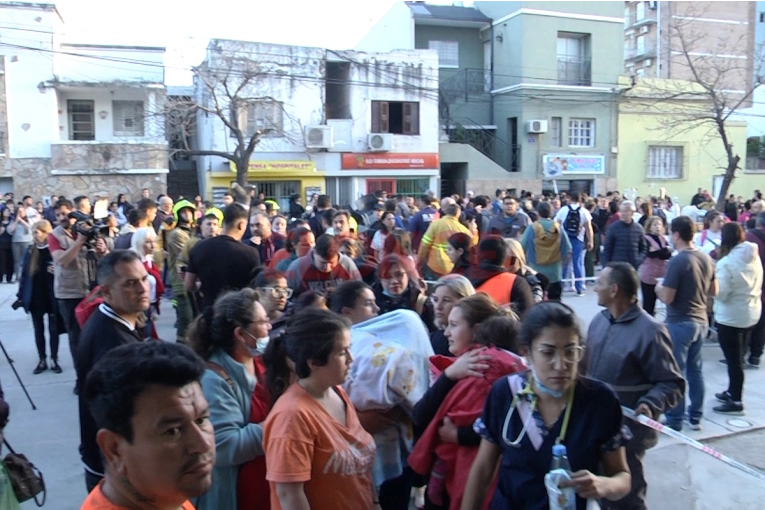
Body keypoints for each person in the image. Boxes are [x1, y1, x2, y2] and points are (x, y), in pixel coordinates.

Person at [462, 301, 632, 509]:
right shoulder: (505, 393)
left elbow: (622, 477)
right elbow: (483, 469)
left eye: (570, 352)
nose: (561, 365)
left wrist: (605, 485)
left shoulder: (599, 401)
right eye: (548, 353)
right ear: (526, 351)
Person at [410, 295, 526, 509]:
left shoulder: (483, 371)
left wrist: (459, 435)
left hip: (471, 480)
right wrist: (449, 374)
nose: (446, 332)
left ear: (477, 330)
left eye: (453, 325)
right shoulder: (466, 366)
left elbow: (500, 428)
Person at [586, 263, 684, 509]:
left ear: (614, 290)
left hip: (629, 433)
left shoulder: (651, 331)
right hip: (595, 426)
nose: (595, 288)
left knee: (626, 499)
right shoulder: (599, 321)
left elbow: (672, 383)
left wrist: (650, 404)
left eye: (599, 283)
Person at [263, 309, 378, 510]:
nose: (351, 358)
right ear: (314, 362)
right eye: (342, 352)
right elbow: (289, 496)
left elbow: (360, 464)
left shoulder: (338, 393)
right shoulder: (292, 417)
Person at [81, 342, 215, 510]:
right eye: (172, 431)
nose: (203, 444)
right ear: (114, 449)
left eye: (201, 420)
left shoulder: (165, 497)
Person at [187, 288, 269, 510]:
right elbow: (224, 446)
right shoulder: (213, 380)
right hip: (234, 495)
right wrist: (278, 424)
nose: (269, 327)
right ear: (240, 334)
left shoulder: (260, 361)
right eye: (263, 322)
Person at [76, 250, 149, 492]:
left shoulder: (114, 322)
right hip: (116, 470)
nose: (142, 288)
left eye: (144, 278)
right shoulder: (113, 342)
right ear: (106, 292)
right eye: (130, 283)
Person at [656, 216, 717, 432]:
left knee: (676, 373)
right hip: (701, 321)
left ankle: (675, 419)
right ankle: (696, 416)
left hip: (679, 321)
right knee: (695, 370)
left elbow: (668, 297)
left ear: (676, 235)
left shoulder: (678, 261)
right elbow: (714, 291)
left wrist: (658, 289)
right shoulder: (706, 258)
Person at [50, 198, 109, 394]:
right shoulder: (54, 236)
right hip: (69, 293)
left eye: (65, 214)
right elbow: (62, 261)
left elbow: (104, 260)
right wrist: (80, 241)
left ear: (73, 214)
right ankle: (81, 378)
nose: (61, 218)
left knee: (97, 335)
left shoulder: (86, 230)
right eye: (57, 215)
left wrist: (102, 250)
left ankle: (98, 375)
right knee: (76, 338)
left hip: (92, 290)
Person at [712, 222, 763, 415]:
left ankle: (736, 400)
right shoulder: (753, 255)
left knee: (734, 361)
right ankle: (732, 390)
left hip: (731, 317)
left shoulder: (727, 263)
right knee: (738, 357)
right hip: (751, 311)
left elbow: (722, 293)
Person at [185, 204, 262, 312]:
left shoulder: (199, 248)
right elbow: (256, 287)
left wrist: (204, 286)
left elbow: (189, 285)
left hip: (209, 311)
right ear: (241, 225)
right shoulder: (250, 253)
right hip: (238, 312)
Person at [16, 220, 61, 374]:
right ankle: (42, 359)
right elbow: (24, 276)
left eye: (37, 232)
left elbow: (64, 268)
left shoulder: (54, 250)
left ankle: (54, 358)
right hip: (36, 296)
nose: (34, 235)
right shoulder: (30, 251)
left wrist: (58, 270)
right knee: (38, 329)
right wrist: (21, 295)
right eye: (33, 232)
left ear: (46, 233)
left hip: (52, 295)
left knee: (54, 328)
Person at [470, 236, 533, 315]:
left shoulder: (464, 280)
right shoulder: (516, 283)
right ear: (504, 259)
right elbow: (527, 318)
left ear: (478, 257)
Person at [521, 201, 571, 301]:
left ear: (538, 213)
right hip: (555, 273)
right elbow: (568, 250)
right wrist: (562, 265)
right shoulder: (558, 228)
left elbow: (522, 247)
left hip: (536, 272)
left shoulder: (532, 228)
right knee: (555, 302)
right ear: (551, 213)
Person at [285, 233, 361, 298]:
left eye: (331, 263)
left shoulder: (347, 264)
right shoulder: (297, 267)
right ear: (314, 253)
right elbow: (288, 296)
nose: (327, 268)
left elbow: (359, 291)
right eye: (323, 263)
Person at [373, 254, 433, 327]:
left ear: (407, 275)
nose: (394, 281)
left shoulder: (421, 303)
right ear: (380, 279)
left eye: (398, 275)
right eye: (387, 276)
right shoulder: (371, 303)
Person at [418, 202, 474, 280]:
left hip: (434, 266)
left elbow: (424, 245)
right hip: (454, 268)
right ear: (458, 214)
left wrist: (419, 262)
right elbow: (471, 247)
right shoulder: (464, 230)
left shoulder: (435, 224)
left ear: (446, 212)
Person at [554, 192, 593, 296]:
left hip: (564, 239)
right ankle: (579, 288)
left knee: (564, 264)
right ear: (580, 200)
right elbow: (589, 227)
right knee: (577, 264)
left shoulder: (563, 210)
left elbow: (556, 225)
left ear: (570, 198)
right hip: (578, 239)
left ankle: (560, 287)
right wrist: (590, 240)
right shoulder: (584, 212)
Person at [130, 227, 164, 340]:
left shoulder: (149, 260)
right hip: (138, 306)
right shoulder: (133, 261)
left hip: (149, 305)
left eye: (153, 241)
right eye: (148, 242)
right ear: (139, 243)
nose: (152, 245)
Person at [429, 275, 475, 356]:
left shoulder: (476, 342)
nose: (438, 306)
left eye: (446, 300)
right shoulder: (434, 338)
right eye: (435, 300)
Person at [638, 216, 671, 316]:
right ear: (650, 226)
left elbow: (666, 255)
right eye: (655, 224)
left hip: (662, 275)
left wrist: (660, 252)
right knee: (649, 305)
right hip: (649, 275)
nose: (658, 227)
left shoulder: (663, 238)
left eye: (659, 224)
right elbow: (650, 254)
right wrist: (664, 251)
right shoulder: (646, 239)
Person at [602, 200, 647, 270]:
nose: (622, 214)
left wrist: (638, 260)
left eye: (625, 211)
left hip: (632, 267)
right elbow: (607, 250)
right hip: (616, 267)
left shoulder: (639, 228)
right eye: (621, 211)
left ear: (632, 213)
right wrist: (606, 266)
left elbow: (644, 248)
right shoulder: (613, 228)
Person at [745, 212, 765, 368]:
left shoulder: (750, 237)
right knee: (762, 323)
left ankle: (742, 351)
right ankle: (756, 355)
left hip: (753, 283)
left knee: (748, 321)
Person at [9, 205, 32, 282]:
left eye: (22, 211)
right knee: (17, 260)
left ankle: (25, 275)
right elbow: (10, 230)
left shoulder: (28, 220)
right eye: (19, 211)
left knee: (26, 259)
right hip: (16, 242)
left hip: (26, 241)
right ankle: (17, 276)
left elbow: (30, 228)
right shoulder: (13, 221)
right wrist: (16, 220)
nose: (21, 213)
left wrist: (21, 220)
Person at [0, 207, 13, 282]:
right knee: (2, 261)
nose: (7, 212)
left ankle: (9, 278)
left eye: (8, 211)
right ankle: (0, 278)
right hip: (1, 243)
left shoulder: (12, 221)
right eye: (5, 211)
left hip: (11, 243)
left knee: (10, 261)